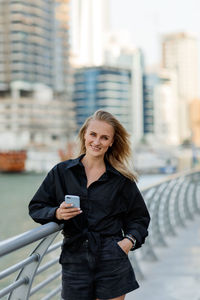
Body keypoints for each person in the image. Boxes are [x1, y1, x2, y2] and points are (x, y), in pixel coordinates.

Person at [29, 110, 150, 300]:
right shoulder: (61, 172)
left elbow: (139, 218)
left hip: (112, 258)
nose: (97, 141)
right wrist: (57, 213)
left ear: (111, 142)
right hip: (74, 259)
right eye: (93, 134)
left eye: (104, 137)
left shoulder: (121, 179)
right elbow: (36, 207)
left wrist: (128, 242)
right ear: (84, 133)